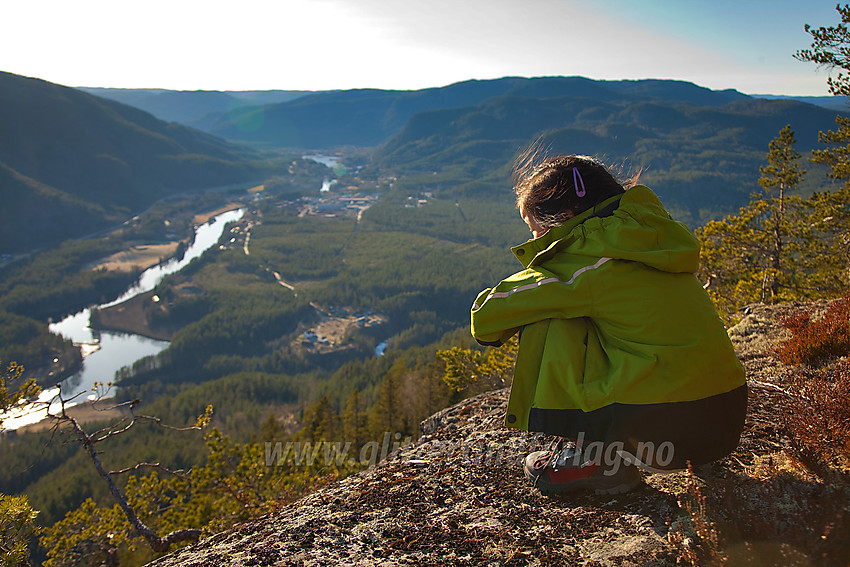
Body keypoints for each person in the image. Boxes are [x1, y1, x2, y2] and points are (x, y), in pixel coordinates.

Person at [470, 154, 747, 495]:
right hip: (723, 422)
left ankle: (592, 458)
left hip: (663, 434)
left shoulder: (587, 263)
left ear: (566, 218)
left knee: (554, 313)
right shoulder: (652, 238)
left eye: (535, 229)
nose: (535, 239)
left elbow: (484, 319)